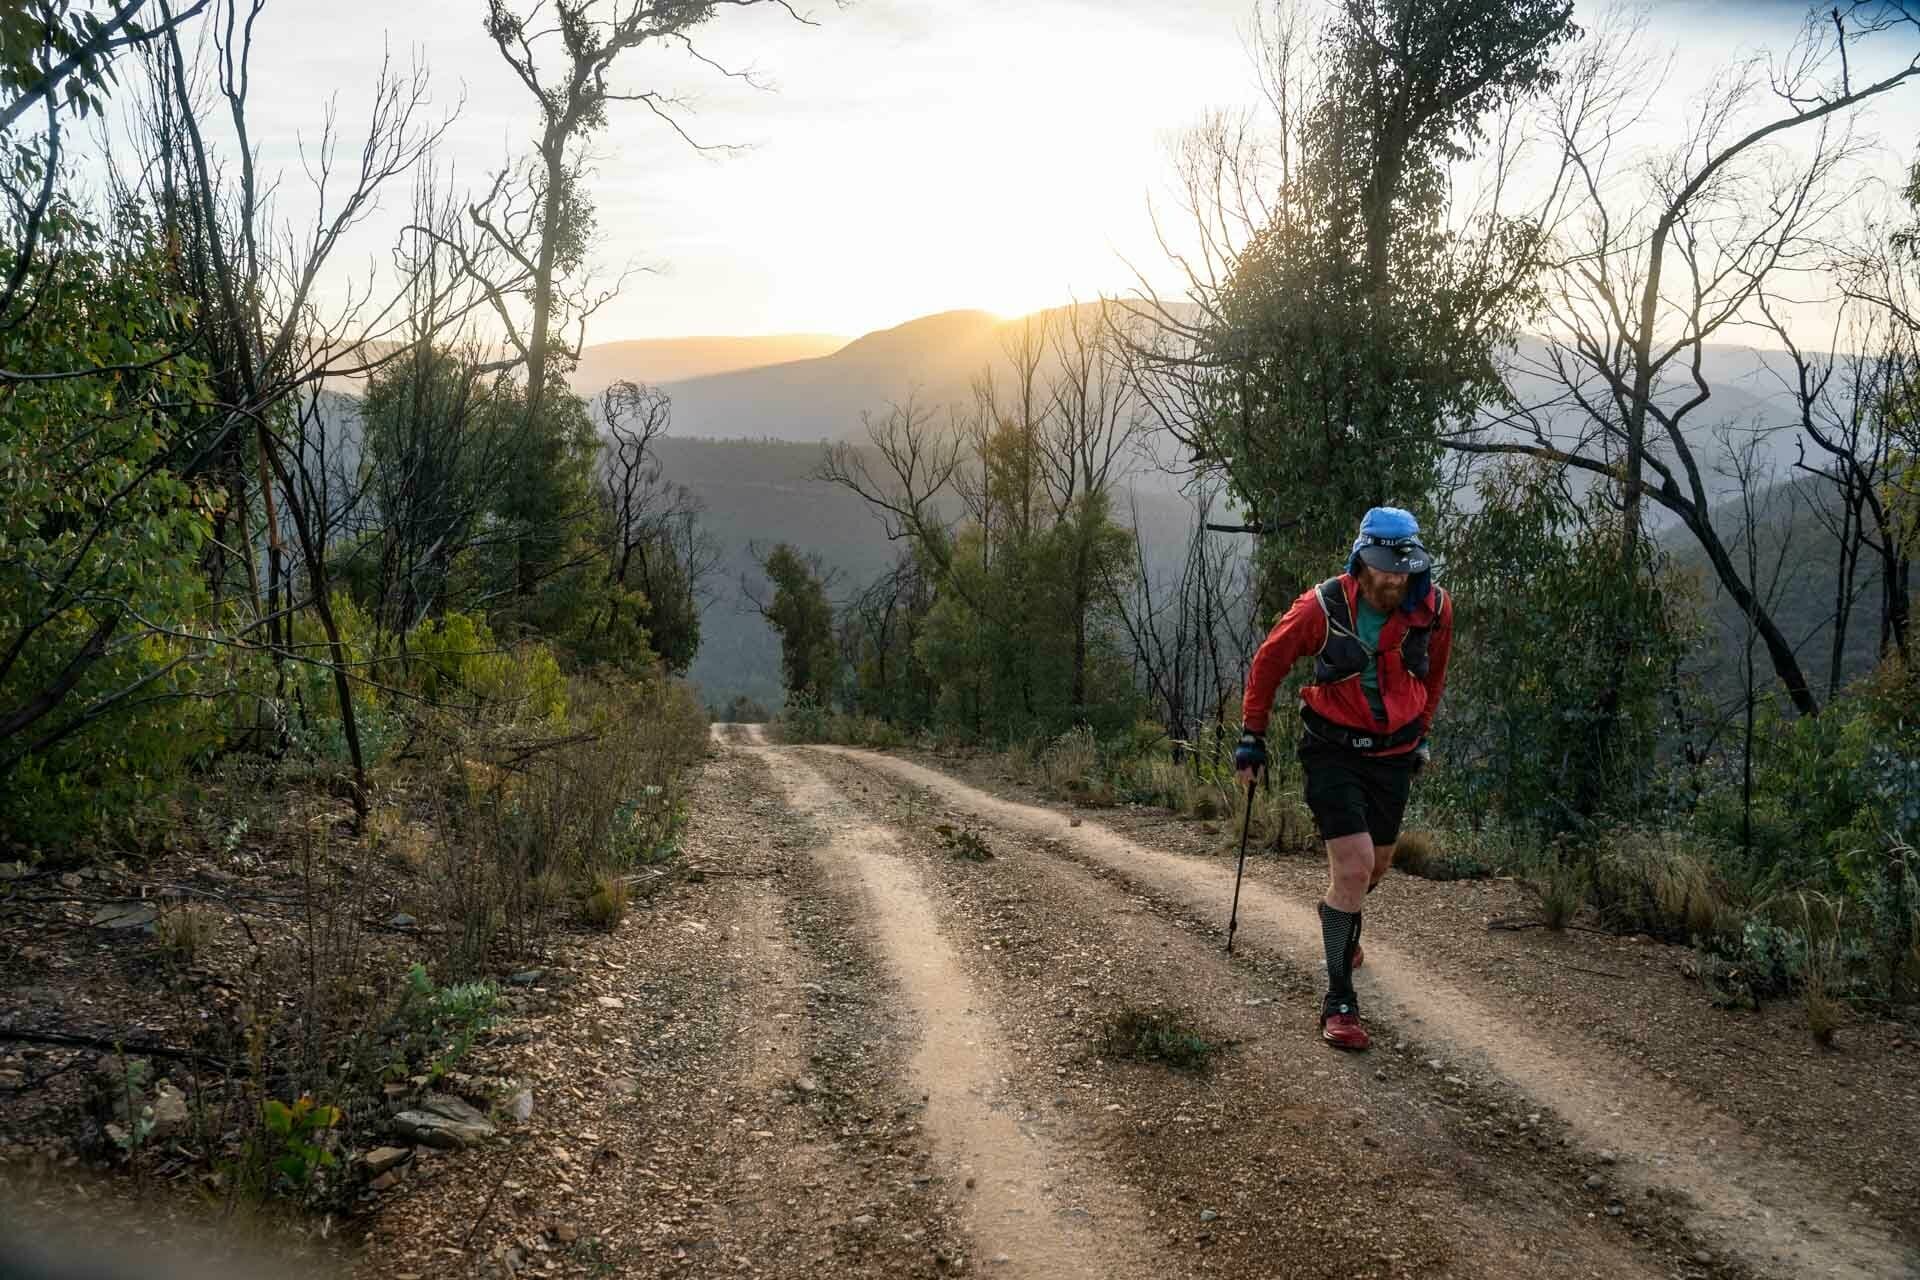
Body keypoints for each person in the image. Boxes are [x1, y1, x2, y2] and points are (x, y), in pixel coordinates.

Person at [1233, 507, 1454, 1051]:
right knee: (1354, 867)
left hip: (1394, 753)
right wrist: (1251, 737)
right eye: (1383, 568)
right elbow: (1268, 663)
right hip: (1332, 749)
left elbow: (1435, 674)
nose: (1393, 580)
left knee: (1376, 866)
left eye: (1403, 570)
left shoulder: (1435, 609)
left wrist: (1421, 736)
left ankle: (1340, 917)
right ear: (1361, 562)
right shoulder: (1322, 606)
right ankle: (1340, 1002)